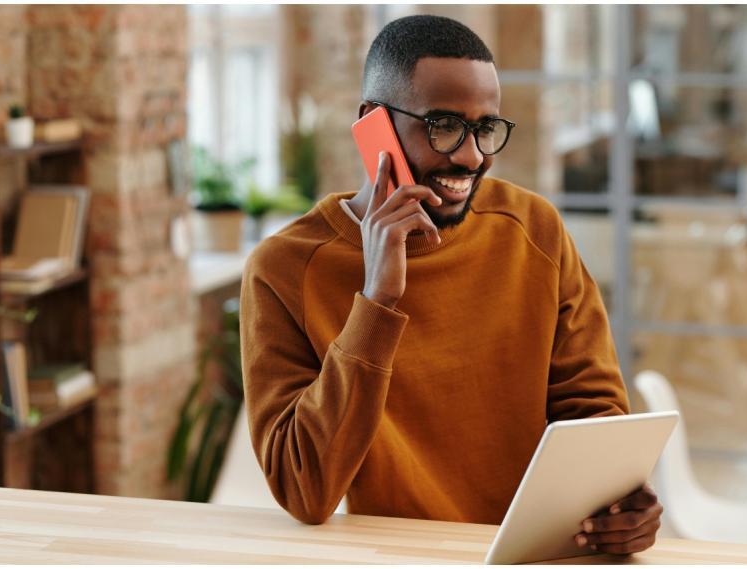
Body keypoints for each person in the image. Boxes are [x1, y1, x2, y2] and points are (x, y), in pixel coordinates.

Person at [240, 14, 663, 555]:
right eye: (443, 126)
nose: (471, 156)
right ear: (375, 124)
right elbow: (305, 489)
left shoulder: (533, 229)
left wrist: (622, 506)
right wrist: (377, 301)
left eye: (486, 128)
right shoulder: (282, 269)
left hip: (537, 553)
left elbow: (595, 415)